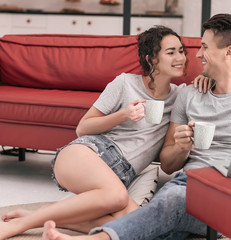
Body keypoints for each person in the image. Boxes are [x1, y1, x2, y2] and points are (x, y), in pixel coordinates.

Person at [41, 13, 231, 240]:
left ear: (229, 52)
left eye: (204, 47)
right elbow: (168, 165)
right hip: (191, 186)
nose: (197, 55)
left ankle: (93, 234)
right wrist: (181, 147)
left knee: (161, 217)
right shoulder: (188, 95)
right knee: (171, 203)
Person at [0, 25, 212, 240]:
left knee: (135, 222)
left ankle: (44, 214)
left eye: (181, 51)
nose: (181, 57)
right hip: (88, 154)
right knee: (117, 197)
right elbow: (83, 127)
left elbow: (211, 90)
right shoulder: (124, 83)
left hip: (123, 174)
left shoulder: (181, 96)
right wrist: (123, 115)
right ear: (151, 59)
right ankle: (19, 226)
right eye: (171, 52)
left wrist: (207, 77)